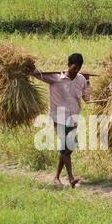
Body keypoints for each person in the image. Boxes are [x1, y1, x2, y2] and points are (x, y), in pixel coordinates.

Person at [34, 53, 91, 187]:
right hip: (58, 118)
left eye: (78, 68)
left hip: (74, 119)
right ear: (68, 64)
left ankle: (56, 177)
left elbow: (87, 99)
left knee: (68, 149)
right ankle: (71, 178)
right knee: (65, 146)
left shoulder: (81, 79)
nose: (75, 71)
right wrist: (28, 66)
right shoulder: (55, 78)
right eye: (74, 68)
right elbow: (36, 73)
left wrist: (88, 83)